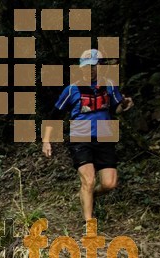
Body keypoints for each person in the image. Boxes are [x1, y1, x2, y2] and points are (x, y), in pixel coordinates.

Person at [42, 49, 134, 222]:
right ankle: (89, 223)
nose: (89, 70)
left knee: (109, 184)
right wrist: (46, 141)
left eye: (92, 66)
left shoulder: (109, 86)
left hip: (104, 137)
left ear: (100, 66)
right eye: (85, 67)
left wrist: (125, 105)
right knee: (89, 181)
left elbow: (116, 109)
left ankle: (90, 197)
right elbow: (53, 116)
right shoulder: (72, 89)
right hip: (80, 138)